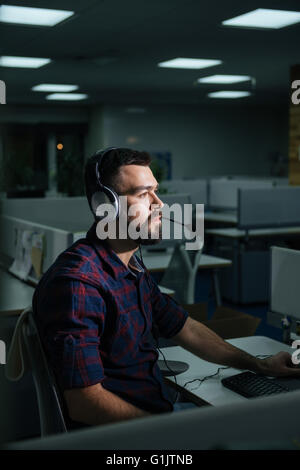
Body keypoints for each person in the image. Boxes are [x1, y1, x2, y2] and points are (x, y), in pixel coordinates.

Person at [33, 147, 300, 429]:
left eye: (156, 191)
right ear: (105, 207)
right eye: (142, 194)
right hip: (131, 436)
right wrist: (168, 434)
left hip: (158, 416)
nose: (159, 203)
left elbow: (186, 328)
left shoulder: (130, 267)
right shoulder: (79, 284)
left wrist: (260, 365)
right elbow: (85, 402)